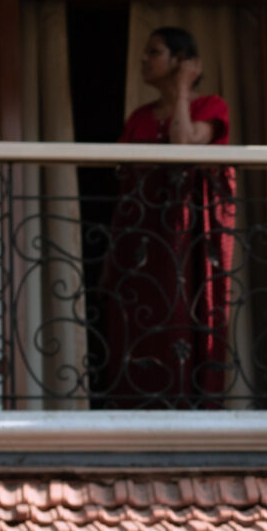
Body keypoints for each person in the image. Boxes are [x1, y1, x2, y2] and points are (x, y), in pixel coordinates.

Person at [97, 26, 238, 405]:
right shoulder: (139, 117)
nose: (144, 59)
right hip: (144, 238)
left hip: (190, 237)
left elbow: (183, 145)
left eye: (155, 52)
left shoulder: (210, 106)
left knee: (187, 312)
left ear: (181, 61)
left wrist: (182, 91)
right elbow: (125, 180)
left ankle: (191, 407)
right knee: (139, 317)